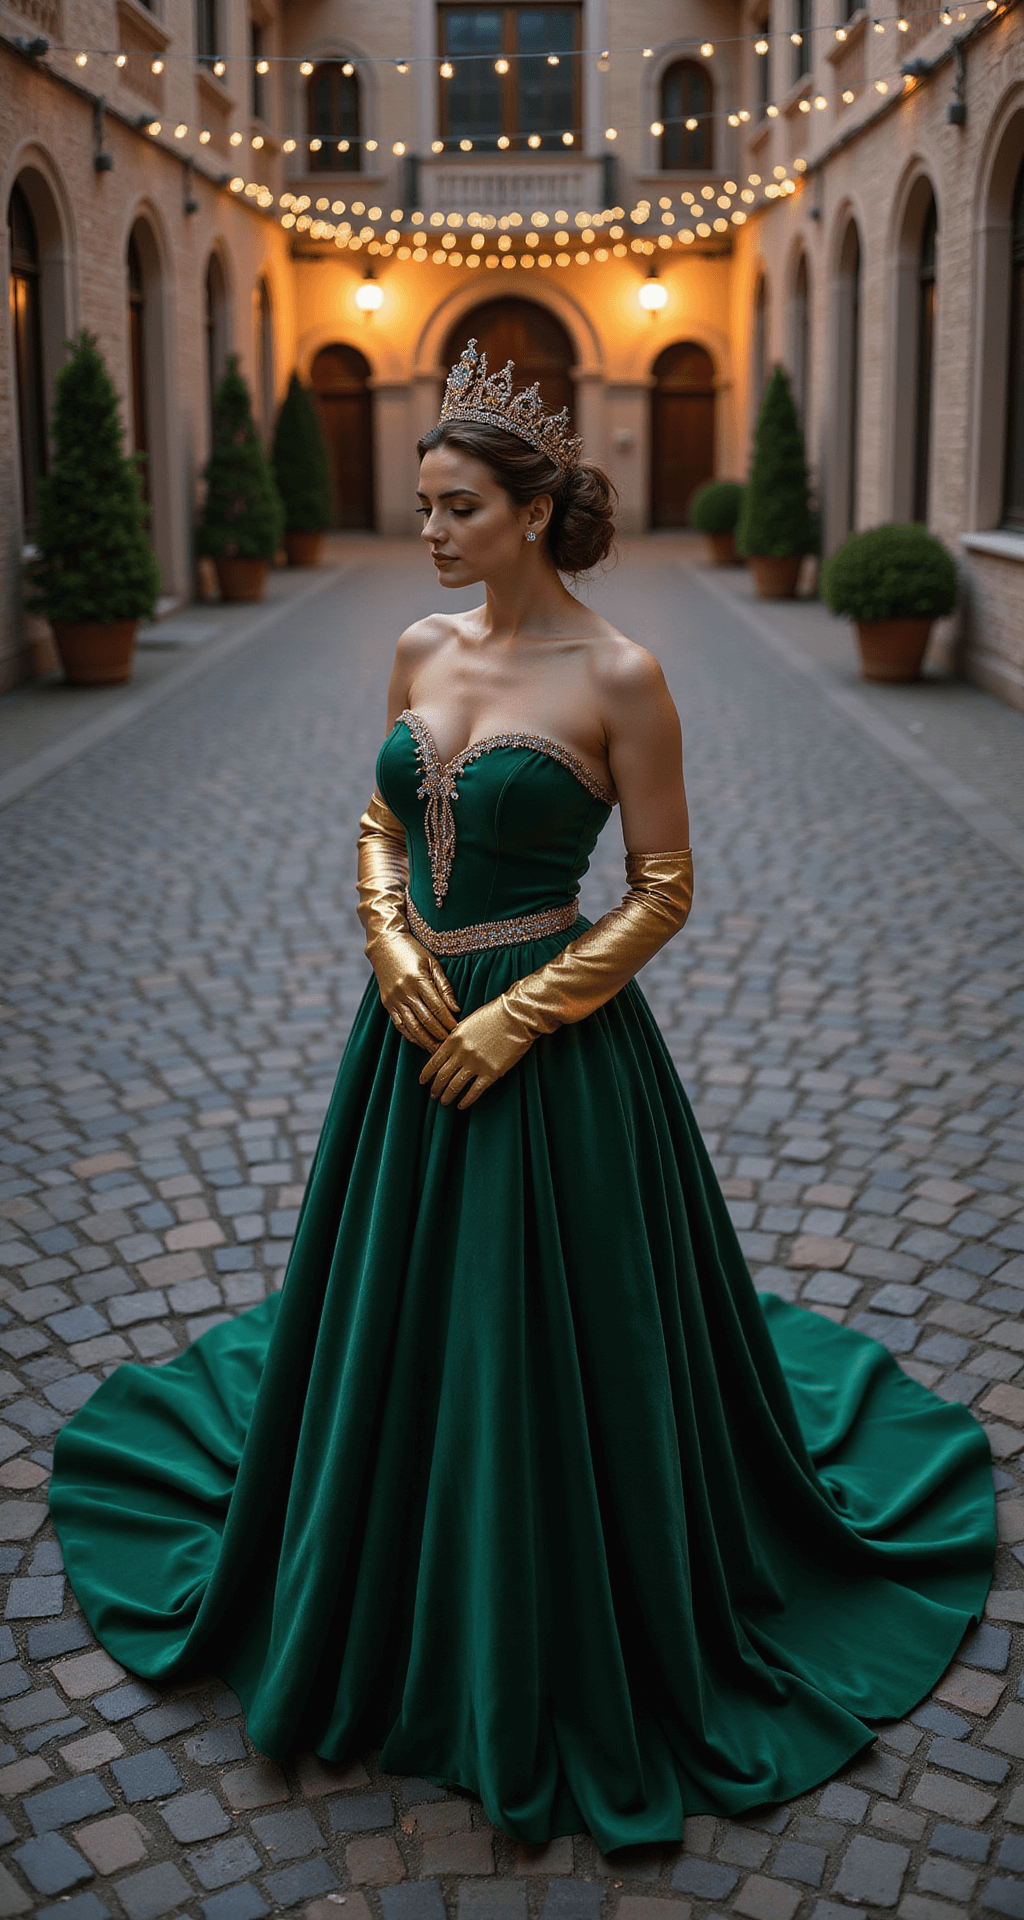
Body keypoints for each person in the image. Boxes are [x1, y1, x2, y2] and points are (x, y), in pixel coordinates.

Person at [50, 341, 996, 1854]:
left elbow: (665, 887)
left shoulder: (622, 676)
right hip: (408, 1036)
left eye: (459, 508)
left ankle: (554, 1594)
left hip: (552, 1053)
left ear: (536, 511)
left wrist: (520, 1017)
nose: (429, 532)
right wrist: (389, 945)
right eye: (424, 504)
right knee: (390, 1304)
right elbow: (381, 823)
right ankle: (379, 1549)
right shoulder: (419, 646)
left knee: (557, 1319)